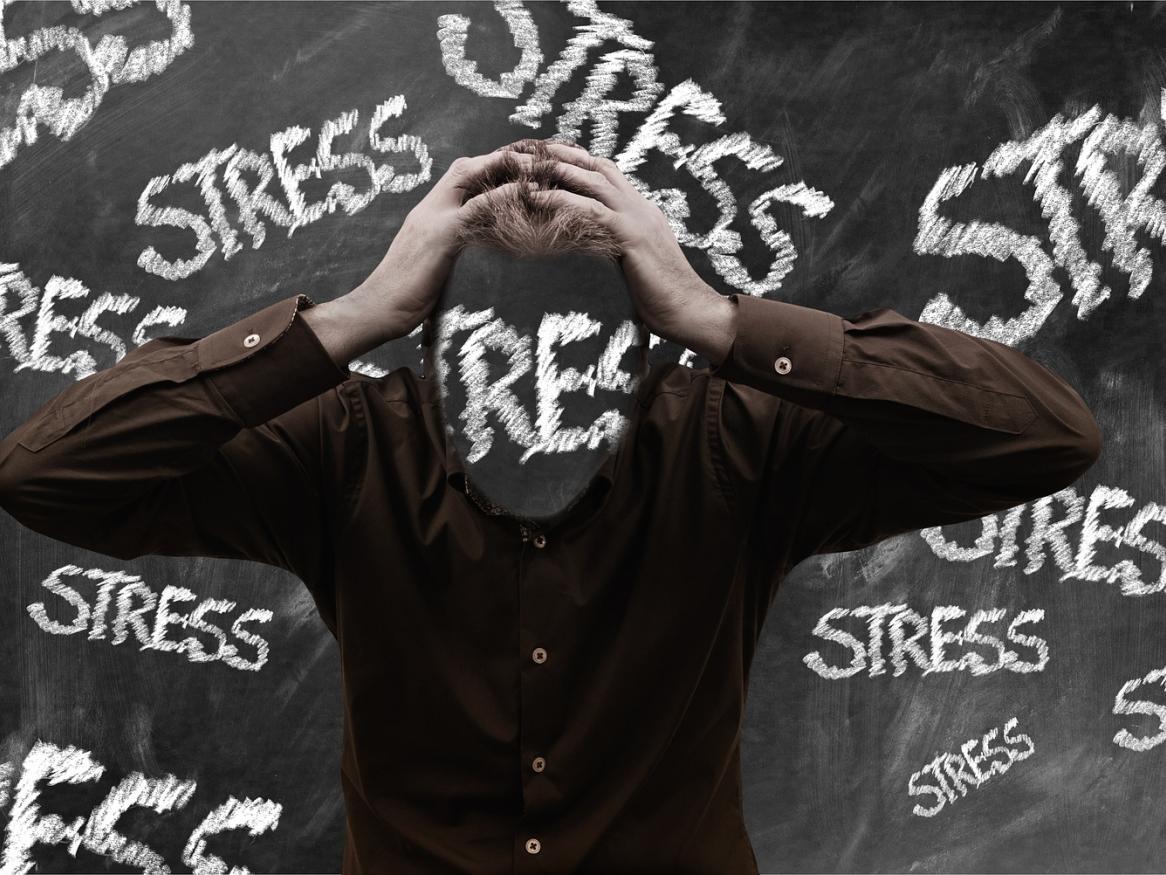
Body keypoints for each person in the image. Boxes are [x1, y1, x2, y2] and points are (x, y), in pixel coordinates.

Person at [0, 136, 1102, 874]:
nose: (535, 392)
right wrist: (349, 316)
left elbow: (1043, 433)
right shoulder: (348, 447)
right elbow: (49, 473)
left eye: (579, 347)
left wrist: (723, 320)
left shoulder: (731, 440)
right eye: (489, 344)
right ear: (427, 341)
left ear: (643, 343)